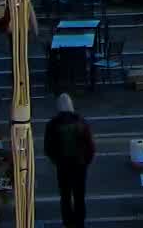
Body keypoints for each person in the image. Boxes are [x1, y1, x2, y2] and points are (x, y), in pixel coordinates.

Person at [43, 93, 95, 227]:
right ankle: (79, 223)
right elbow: (90, 145)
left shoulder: (52, 124)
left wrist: (56, 160)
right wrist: (86, 161)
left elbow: (48, 147)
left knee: (65, 196)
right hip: (79, 164)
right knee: (79, 196)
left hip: (63, 165)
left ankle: (68, 223)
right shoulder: (81, 122)